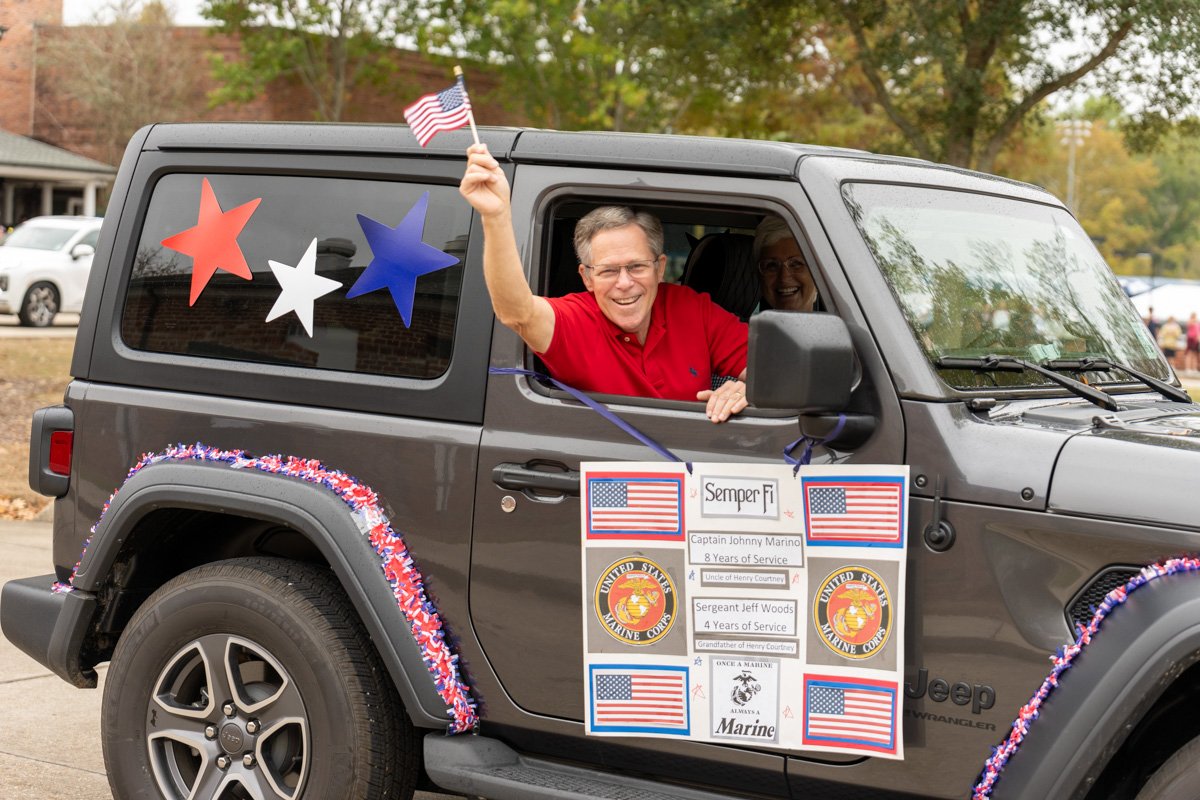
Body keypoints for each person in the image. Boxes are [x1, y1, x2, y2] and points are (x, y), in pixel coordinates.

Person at [459, 143, 750, 423]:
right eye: (608, 271)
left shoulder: (691, 307)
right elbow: (517, 312)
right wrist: (495, 217)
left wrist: (750, 389)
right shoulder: (575, 319)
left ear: (660, 268)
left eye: (636, 267)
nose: (625, 283)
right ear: (587, 277)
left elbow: (774, 369)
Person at [754, 216, 818, 312]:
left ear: (820, 274)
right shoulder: (746, 327)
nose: (784, 277)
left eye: (796, 264)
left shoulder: (842, 326)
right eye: (772, 265)